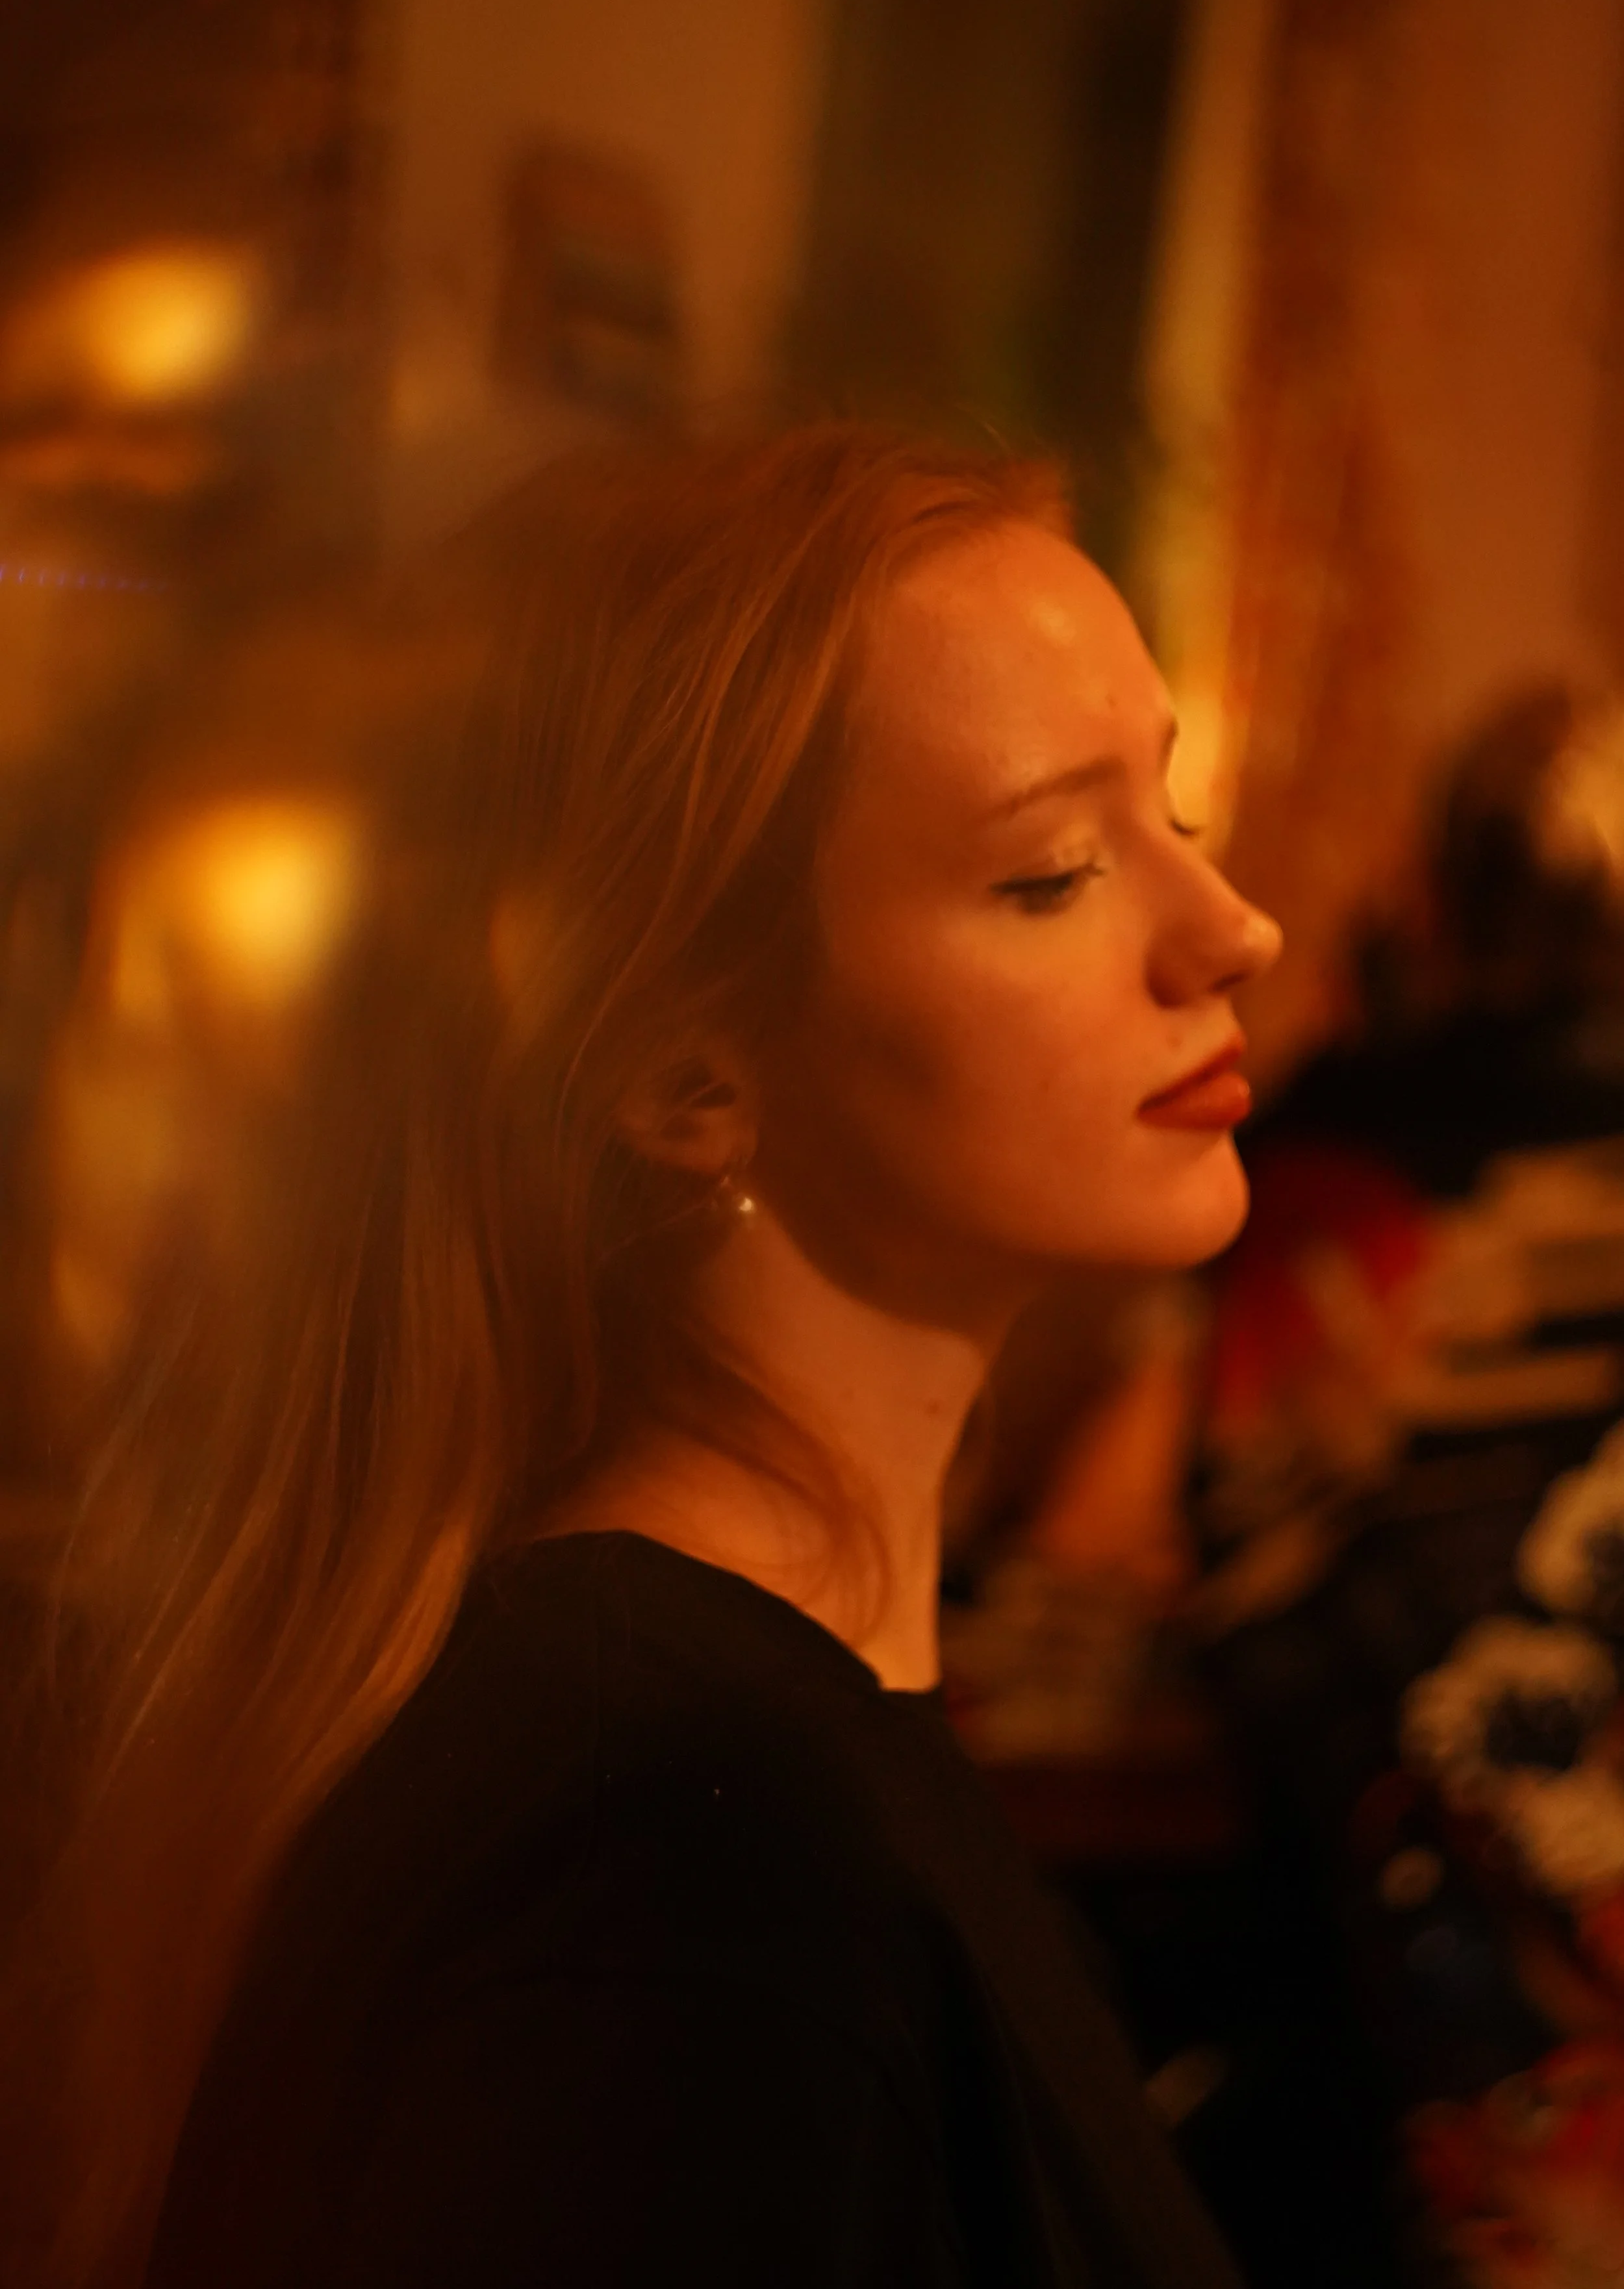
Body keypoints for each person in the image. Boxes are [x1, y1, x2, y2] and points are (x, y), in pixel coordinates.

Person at [22, 424, 1280, 2288]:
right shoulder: (688, 1854)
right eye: (1047, 874)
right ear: (684, 1076)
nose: (1228, 927)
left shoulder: (743, 1750)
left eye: (1167, 814)